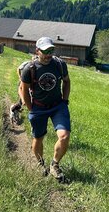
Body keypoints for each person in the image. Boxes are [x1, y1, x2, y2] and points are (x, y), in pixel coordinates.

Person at [19, 36, 71, 182]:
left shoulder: (60, 64)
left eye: (51, 50)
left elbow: (66, 81)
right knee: (38, 138)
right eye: (45, 51)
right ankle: (40, 164)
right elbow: (24, 89)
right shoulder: (29, 69)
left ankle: (55, 165)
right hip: (39, 108)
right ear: (37, 51)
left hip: (57, 106)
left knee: (64, 136)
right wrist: (31, 108)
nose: (49, 54)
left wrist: (65, 100)